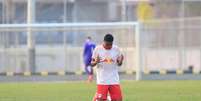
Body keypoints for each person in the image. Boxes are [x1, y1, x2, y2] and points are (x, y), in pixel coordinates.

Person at [91, 34, 124, 101]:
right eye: (107, 44)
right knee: (101, 99)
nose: (109, 46)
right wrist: (96, 62)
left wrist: (120, 61)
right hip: (102, 80)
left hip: (114, 79)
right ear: (103, 42)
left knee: (118, 99)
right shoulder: (98, 49)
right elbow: (92, 64)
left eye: (110, 45)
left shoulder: (116, 49)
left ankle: (107, 98)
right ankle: (101, 98)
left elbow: (119, 63)